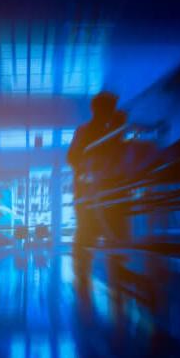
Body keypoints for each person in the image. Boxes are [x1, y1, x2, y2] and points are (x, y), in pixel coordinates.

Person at [66, 91, 127, 246]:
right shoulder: (85, 131)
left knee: (113, 225)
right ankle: (82, 267)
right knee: (86, 232)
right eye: (108, 109)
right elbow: (72, 158)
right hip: (88, 188)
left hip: (108, 186)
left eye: (112, 109)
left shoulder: (111, 131)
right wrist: (88, 170)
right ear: (97, 110)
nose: (110, 112)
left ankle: (117, 260)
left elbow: (117, 155)